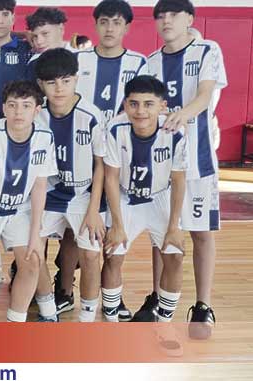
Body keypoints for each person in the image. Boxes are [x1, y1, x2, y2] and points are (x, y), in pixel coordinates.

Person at [144, 0, 227, 340]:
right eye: (160, 16)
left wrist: (184, 113)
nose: (166, 21)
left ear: (189, 19)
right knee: (161, 235)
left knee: (201, 232)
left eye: (173, 15)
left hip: (198, 159)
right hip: (161, 163)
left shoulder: (208, 50)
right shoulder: (150, 62)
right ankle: (158, 299)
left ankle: (203, 305)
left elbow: (206, 94)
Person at [67, 0, 147, 320]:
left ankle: (113, 300)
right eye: (103, 22)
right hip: (81, 158)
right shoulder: (78, 60)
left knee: (115, 239)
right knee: (81, 236)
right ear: (95, 25)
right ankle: (66, 291)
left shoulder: (140, 63)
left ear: (127, 27)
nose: (110, 28)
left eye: (116, 22)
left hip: (122, 161)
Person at [0, 80, 56, 322]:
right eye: (13, 105)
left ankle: (16, 322)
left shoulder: (45, 137)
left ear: (37, 110)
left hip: (21, 207)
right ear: (3, 108)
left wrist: (36, 235)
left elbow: (39, 187)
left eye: (26, 106)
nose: (18, 112)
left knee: (33, 260)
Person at [102, 75, 187, 324]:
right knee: (113, 254)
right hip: (126, 198)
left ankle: (164, 325)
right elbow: (110, 178)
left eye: (149, 104)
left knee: (174, 255)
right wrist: (117, 225)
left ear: (163, 106)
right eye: (134, 103)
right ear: (125, 104)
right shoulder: (116, 130)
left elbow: (179, 180)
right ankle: (111, 322)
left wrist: (174, 226)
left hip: (160, 197)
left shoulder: (175, 133)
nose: (140, 111)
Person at [33, 48, 107, 322]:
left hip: (85, 194)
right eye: (51, 83)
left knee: (90, 256)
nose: (59, 89)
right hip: (49, 193)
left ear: (76, 79)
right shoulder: (37, 114)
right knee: (32, 252)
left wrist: (93, 209)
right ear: (41, 84)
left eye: (65, 81)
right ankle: (48, 310)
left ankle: (87, 317)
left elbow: (102, 165)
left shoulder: (91, 115)